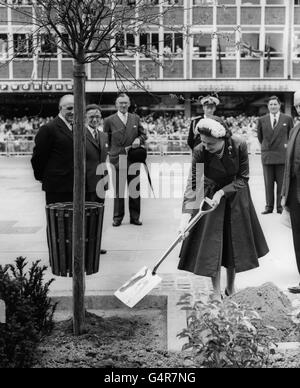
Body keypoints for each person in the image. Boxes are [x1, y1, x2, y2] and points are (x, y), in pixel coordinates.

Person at [178, 116, 269, 301]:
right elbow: (193, 184)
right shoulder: (200, 151)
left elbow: (243, 178)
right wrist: (185, 217)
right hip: (210, 196)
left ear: (223, 139)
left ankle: (230, 288)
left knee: (233, 242)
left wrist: (222, 193)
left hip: (236, 194)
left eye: (210, 143)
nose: (206, 146)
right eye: (203, 142)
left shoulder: (239, 145)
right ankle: (215, 291)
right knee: (213, 243)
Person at [103, 93, 147, 227]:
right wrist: (111, 153)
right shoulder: (109, 120)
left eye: (125, 103)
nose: (123, 105)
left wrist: (139, 139)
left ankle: (135, 217)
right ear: (116, 104)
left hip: (133, 159)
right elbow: (106, 139)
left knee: (134, 190)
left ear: (129, 104)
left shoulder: (135, 118)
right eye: (120, 103)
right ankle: (117, 217)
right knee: (118, 191)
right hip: (117, 159)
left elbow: (143, 134)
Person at [257, 96, 294, 214]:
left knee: (281, 183)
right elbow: (260, 137)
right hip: (267, 155)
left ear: (279, 105)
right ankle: (269, 206)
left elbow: (291, 135)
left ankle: (280, 207)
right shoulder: (262, 119)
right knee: (268, 183)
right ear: (268, 106)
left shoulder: (287, 119)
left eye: (275, 104)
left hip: (282, 156)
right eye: (271, 104)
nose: (273, 106)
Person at [281, 91, 300, 294]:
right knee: (298, 238)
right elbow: (288, 165)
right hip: (295, 194)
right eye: (298, 106)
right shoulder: (294, 130)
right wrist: (284, 193)